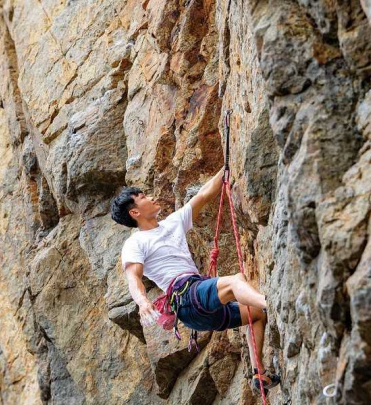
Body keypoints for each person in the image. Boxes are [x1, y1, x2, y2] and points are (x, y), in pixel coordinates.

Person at [110, 168, 280, 394]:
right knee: (235, 281)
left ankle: (258, 374)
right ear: (134, 213)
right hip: (185, 296)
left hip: (197, 312)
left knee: (256, 314)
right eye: (143, 197)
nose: (150, 198)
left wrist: (225, 167)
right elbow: (134, 278)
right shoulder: (135, 243)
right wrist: (142, 302)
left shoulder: (173, 222)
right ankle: (275, 303)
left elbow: (203, 194)